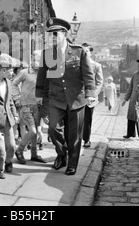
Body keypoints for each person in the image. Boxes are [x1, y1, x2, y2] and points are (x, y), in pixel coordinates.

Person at [36, 17, 96, 176]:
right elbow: (42, 76)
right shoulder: (47, 54)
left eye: (55, 33)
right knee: (53, 129)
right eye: (50, 34)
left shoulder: (79, 51)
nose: (53, 37)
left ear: (64, 33)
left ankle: (72, 163)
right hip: (56, 99)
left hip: (76, 99)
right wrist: (39, 95)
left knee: (74, 135)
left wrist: (90, 94)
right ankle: (62, 154)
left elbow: (89, 75)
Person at [12, 50, 47, 164]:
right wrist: (16, 98)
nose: (35, 62)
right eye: (33, 59)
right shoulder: (24, 72)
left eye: (38, 60)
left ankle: (34, 154)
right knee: (32, 131)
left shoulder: (44, 74)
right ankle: (19, 150)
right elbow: (14, 84)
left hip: (38, 107)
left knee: (36, 131)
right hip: (26, 106)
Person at [81, 43, 103, 148]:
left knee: (87, 119)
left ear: (90, 52)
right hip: (78, 97)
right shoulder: (77, 64)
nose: (84, 53)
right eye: (83, 51)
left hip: (90, 98)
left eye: (86, 51)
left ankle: (86, 139)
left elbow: (99, 82)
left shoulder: (96, 66)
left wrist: (92, 95)